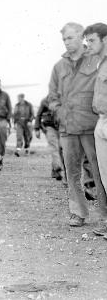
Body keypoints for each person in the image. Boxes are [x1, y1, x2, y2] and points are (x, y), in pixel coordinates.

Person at [48, 22, 107, 227]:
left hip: (91, 127)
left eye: (71, 38)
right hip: (68, 129)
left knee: (100, 173)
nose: (67, 42)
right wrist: (60, 112)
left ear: (81, 37)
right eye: (64, 39)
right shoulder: (59, 67)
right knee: (72, 172)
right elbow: (52, 96)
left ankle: (105, 215)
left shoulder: (96, 60)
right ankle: (78, 213)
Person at [82, 22, 107, 235]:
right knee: (105, 175)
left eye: (92, 40)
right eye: (86, 41)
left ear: (105, 40)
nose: (88, 45)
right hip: (101, 119)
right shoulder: (101, 64)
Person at [35, 97, 64, 180]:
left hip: (62, 127)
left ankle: (55, 170)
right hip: (49, 127)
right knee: (54, 148)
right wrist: (37, 128)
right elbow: (38, 115)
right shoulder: (45, 100)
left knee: (61, 149)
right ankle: (58, 167)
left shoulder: (64, 97)